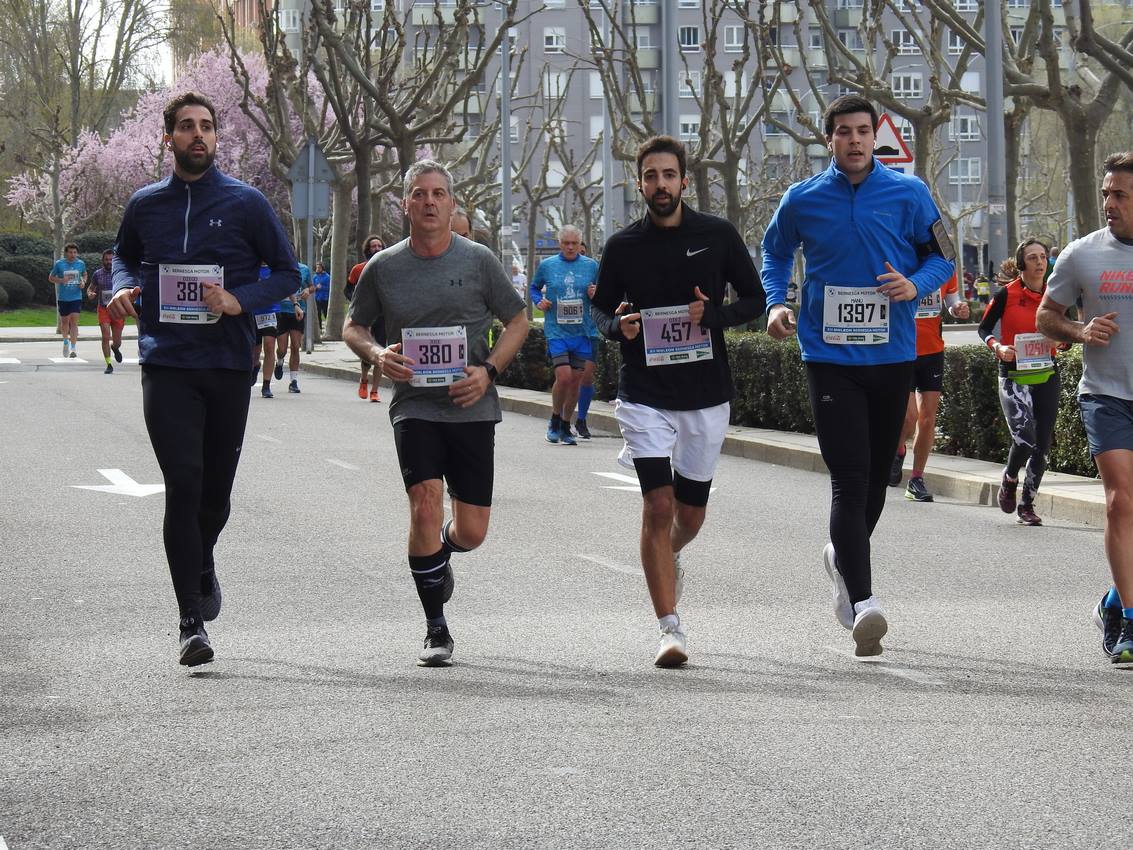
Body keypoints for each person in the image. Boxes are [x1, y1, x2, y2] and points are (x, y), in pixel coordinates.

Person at [107, 91, 299, 666]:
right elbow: (122, 255)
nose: (198, 135)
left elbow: (288, 272)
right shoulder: (145, 204)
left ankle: (202, 557)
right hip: (166, 363)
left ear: (217, 139)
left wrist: (240, 300)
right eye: (186, 126)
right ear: (168, 137)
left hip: (226, 364)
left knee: (215, 494)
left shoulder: (246, 203)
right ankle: (191, 619)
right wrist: (119, 286)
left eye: (207, 127)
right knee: (184, 482)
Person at [762, 95, 954, 657]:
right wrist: (777, 303)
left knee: (878, 478)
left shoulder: (910, 193)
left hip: (893, 355)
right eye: (842, 132)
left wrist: (915, 285)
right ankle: (865, 603)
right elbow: (774, 255)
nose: (853, 140)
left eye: (862, 131)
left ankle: (841, 559)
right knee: (848, 477)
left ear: (876, 138)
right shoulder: (802, 199)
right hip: (828, 357)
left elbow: (942, 260)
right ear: (829, 140)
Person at [344, 160, 527, 667]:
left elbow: (518, 320)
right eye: (420, 194)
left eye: (439, 194)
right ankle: (435, 627)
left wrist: (488, 371)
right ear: (405, 204)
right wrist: (378, 355)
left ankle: (443, 551)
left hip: (471, 406)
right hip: (415, 406)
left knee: (472, 532)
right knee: (424, 501)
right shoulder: (385, 267)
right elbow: (352, 327)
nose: (429, 202)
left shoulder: (479, 260)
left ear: (451, 203)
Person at [591, 135, 765, 667]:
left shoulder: (716, 235)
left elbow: (756, 300)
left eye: (669, 175)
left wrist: (712, 318)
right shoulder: (623, 246)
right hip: (644, 393)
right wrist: (617, 327)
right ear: (638, 183)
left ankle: (669, 558)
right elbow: (597, 315)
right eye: (650, 176)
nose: (660, 185)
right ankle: (670, 629)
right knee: (657, 504)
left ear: (684, 181)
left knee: (689, 515)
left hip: (705, 396)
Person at [1036, 151, 1133, 663]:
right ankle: (1131, 624)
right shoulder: (1082, 254)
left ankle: (1114, 600)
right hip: (1106, 394)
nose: (1108, 203)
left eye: (1119, 194)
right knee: (1121, 502)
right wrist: (1078, 330)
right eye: (1105, 193)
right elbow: (1046, 315)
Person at [978, 238, 1066, 527]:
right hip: (1014, 377)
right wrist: (997, 347)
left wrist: (1062, 340)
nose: (1040, 262)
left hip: (1046, 375)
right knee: (1025, 439)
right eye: (1032, 258)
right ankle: (1010, 477)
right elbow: (984, 328)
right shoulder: (1007, 294)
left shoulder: (1055, 295)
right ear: (1021, 264)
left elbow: (1068, 331)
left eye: (1043, 257)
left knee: (1042, 444)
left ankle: (1027, 505)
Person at [890, 273, 970, 501]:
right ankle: (898, 450)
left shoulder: (944, 268)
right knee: (908, 417)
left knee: (927, 418)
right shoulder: (902, 260)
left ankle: (916, 479)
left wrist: (958, 309)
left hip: (932, 351)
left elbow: (952, 301)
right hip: (901, 349)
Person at [531, 225, 599, 446]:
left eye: (574, 244)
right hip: (557, 331)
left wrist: (595, 293)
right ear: (559, 244)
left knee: (576, 380)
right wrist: (539, 301)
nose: (570, 248)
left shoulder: (591, 266)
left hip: (583, 331)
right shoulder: (548, 266)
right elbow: (534, 288)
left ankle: (565, 424)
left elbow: (604, 292)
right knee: (564, 377)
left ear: (581, 244)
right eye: (566, 243)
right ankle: (554, 419)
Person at [348, 235, 384, 401]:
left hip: (384, 316)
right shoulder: (358, 269)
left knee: (382, 351)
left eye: (379, 246)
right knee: (367, 352)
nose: (376, 249)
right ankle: (364, 378)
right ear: (367, 250)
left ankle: (375, 391)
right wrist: (359, 303)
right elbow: (347, 290)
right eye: (373, 246)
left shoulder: (389, 267)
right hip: (366, 316)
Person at [86, 249, 125, 374]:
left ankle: (115, 348)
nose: (109, 262)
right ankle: (109, 364)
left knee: (117, 341)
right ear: (103, 260)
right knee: (105, 336)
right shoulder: (97, 274)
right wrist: (90, 293)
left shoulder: (120, 273)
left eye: (111, 260)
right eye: (106, 260)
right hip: (103, 309)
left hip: (117, 309)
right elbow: (90, 288)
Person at [274, 260, 309, 393]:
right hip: (281, 311)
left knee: (295, 346)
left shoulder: (304, 269)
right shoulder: (278, 268)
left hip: (298, 311)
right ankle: (280, 361)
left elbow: (310, 286)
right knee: (282, 349)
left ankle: (293, 381)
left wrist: (307, 290)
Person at [49, 243, 87, 358]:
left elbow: (84, 274)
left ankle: (73, 348)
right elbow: (51, 278)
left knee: (74, 322)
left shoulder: (80, 264)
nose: (73, 254)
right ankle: (66, 341)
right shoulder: (59, 264)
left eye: (75, 252)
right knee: (65, 322)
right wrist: (61, 280)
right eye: (70, 252)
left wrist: (83, 282)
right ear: (66, 253)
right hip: (63, 298)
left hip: (76, 297)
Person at [251, 263, 280, 398]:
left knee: (269, 346)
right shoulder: (250, 267)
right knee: (255, 351)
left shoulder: (275, 269)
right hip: (253, 312)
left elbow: (286, 286)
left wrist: (295, 304)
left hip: (271, 312)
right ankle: (256, 365)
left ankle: (266, 385)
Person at [312, 261, 330, 327]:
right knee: (318, 314)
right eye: (317, 268)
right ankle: (319, 328)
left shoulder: (327, 277)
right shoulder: (315, 277)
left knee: (326, 313)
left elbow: (329, 288)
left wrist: (322, 287)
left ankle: (328, 327)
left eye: (319, 267)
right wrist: (316, 287)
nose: (317, 269)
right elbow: (313, 287)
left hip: (325, 298)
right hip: (317, 298)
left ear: (322, 268)